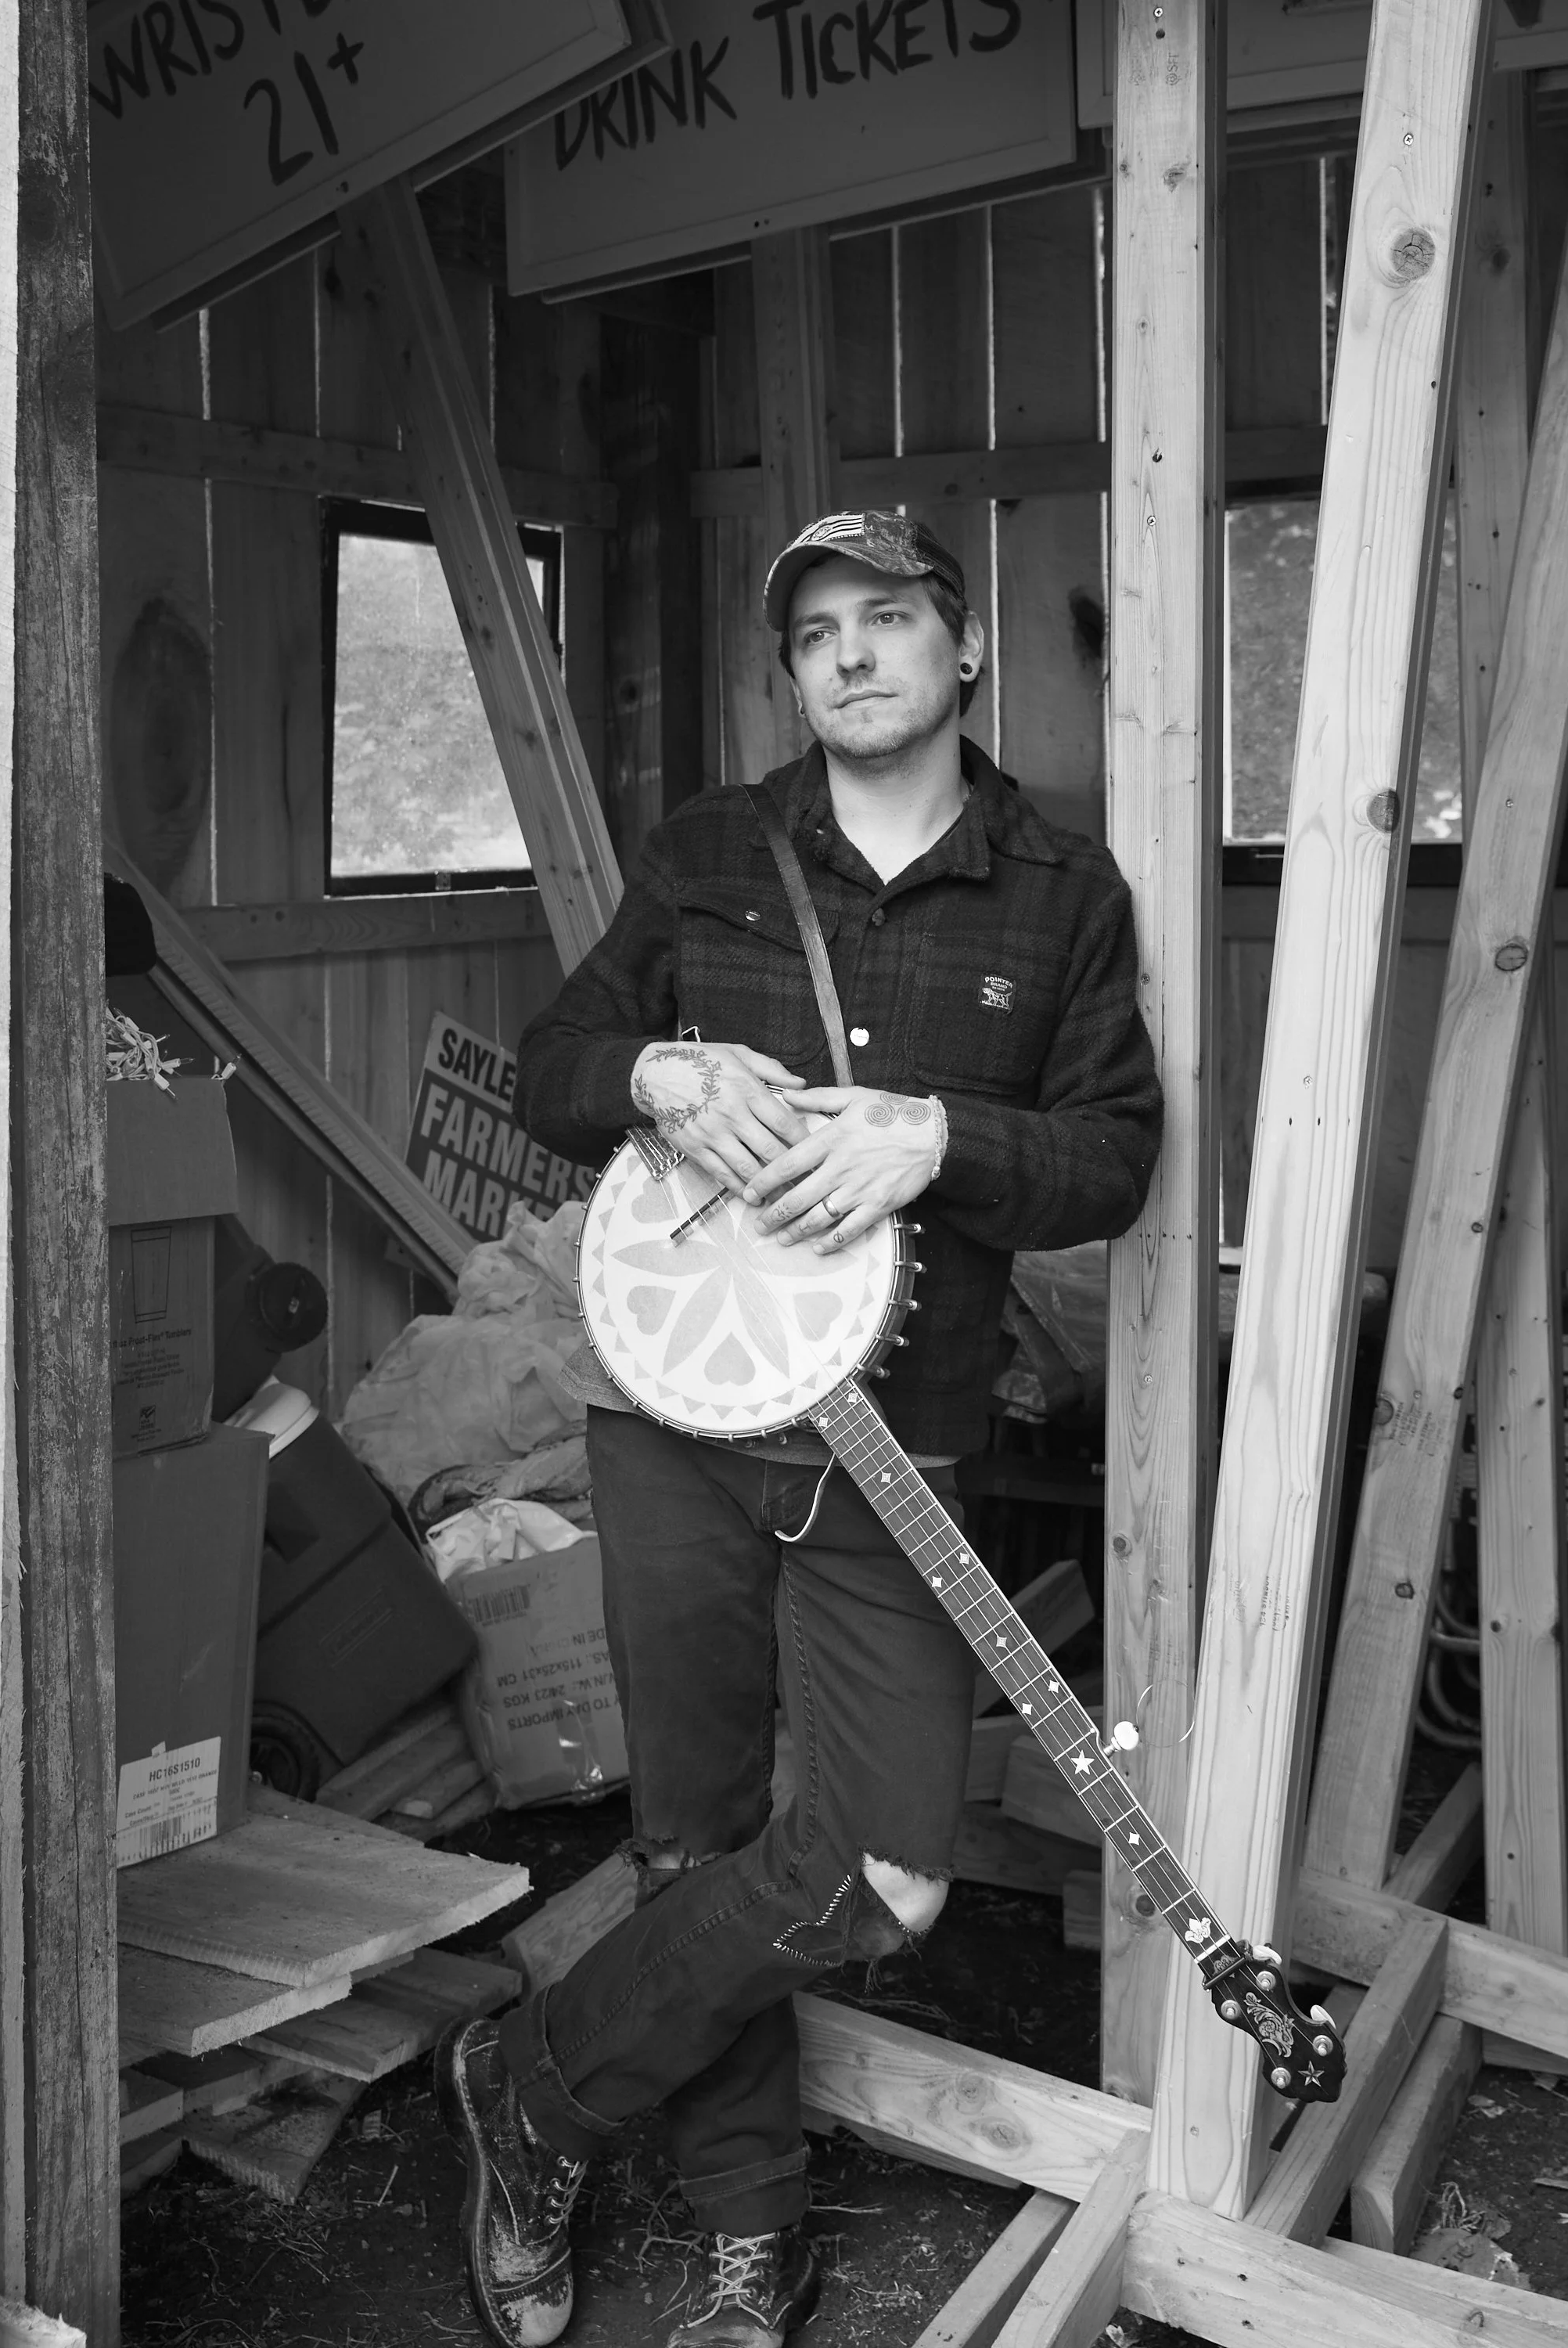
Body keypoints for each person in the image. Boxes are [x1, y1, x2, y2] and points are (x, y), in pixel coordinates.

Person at [436, 510, 1163, 2348]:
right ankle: (750, 2222)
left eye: (891, 618)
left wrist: (945, 1141)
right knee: (692, 1839)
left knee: (881, 1871)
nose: (852, 653)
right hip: (667, 1428)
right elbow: (551, 1072)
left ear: (964, 645)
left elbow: (1116, 1159)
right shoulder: (704, 858)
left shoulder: (1062, 893)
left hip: (890, 1457)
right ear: (794, 668)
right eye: (818, 629)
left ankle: (529, 2085)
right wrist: (653, 1071)